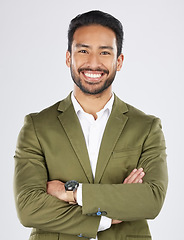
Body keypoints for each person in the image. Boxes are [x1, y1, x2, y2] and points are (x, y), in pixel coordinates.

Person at [14, 10, 168, 240]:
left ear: (119, 60)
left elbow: (151, 200)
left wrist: (74, 193)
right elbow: (28, 208)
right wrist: (107, 217)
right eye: (83, 50)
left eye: (104, 52)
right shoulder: (36, 126)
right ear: (69, 58)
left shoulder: (146, 127)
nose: (93, 63)